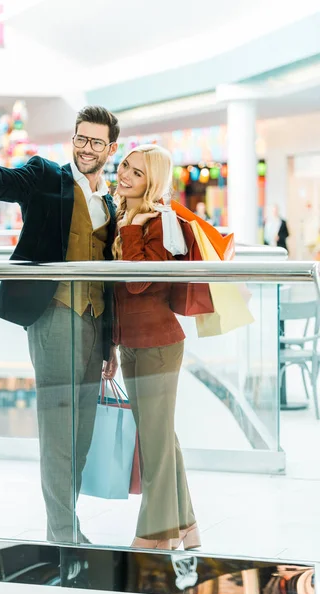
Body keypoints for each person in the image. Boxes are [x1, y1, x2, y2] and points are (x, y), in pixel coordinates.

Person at [0, 105, 120, 544]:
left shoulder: (110, 201)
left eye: (95, 141)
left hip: (94, 320)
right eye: (81, 138)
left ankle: (67, 523)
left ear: (110, 148)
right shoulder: (46, 176)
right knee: (58, 427)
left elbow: (110, 274)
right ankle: (64, 534)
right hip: (54, 314)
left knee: (82, 432)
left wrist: (110, 343)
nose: (86, 147)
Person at [112, 144, 201, 551]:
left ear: (154, 182)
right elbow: (118, 294)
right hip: (132, 342)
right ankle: (185, 526)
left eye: (138, 173)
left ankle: (156, 534)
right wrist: (111, 344)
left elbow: (136, 282)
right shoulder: (124, 216)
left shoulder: (161, 222)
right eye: (126, 167)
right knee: (159, 436)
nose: (126, 176)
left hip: (159, 344)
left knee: (154, 440)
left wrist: (133, 228)